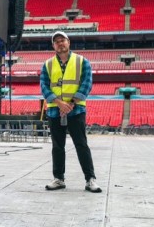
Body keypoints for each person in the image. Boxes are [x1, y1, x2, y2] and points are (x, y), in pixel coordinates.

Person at [40, 31, 102, 193]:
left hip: (76, 110)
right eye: (57, 42)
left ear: (69, 42)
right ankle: (59, 179)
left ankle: (90, 179)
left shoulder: (82, 61)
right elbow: (44, 86)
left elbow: (86, 84)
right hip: (55, 110)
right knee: (57, 146)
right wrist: (60, 103)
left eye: (63, 40)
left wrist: (71, 103)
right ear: (53, 46)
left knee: (81, 144)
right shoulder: (47, 64)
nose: (60, 43)